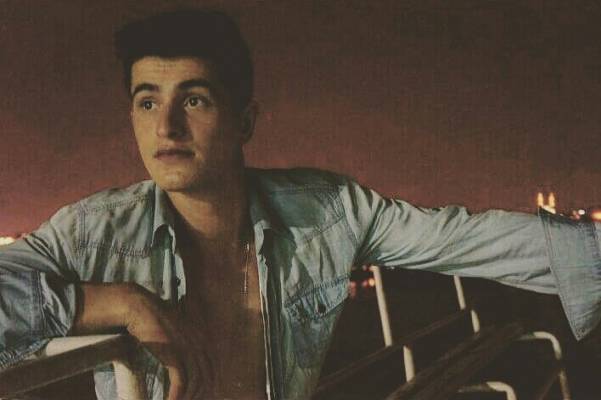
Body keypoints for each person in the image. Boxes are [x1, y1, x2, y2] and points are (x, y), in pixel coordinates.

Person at [0, 8, 599, 400]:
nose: (167, 128)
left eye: (196, 100)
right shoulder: (93, 233)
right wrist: (116, 302)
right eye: (148, 102)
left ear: (245, 121)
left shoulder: (329, 212)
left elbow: (465, 237)